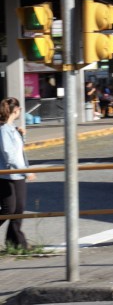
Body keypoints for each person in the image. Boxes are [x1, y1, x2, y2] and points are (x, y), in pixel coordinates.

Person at [0, 98, 36, 250]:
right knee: (9, 209)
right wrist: (25, 170)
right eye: (20, 109)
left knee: (19, 209)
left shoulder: (12, 128)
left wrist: (22, 135)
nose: (21, 111)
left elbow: (18, 150)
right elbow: (9, 154)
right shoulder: (3, 130)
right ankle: (18, 243)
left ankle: (15, 242)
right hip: (7, 175)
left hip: (18, 175)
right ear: (15, 110)